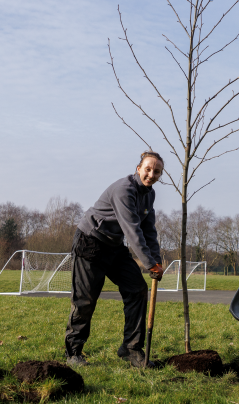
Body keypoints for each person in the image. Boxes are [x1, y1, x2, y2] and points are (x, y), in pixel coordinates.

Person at [65, 151, 165, 368]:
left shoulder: (149, 195)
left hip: (113, 245)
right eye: (148, 169)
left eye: (156, 171)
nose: (151, 174)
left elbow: (149, 230)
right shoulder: (124, 190)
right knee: (86, 299)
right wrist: (148, 263)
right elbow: (132, 230)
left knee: (137, 288)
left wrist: (156, 261)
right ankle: (73, 352)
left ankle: (131, 349)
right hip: (91, 242)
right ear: (138, 168)